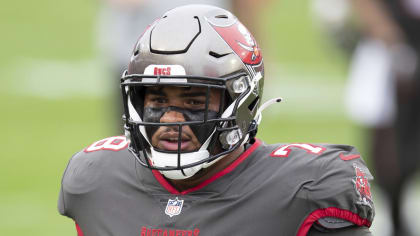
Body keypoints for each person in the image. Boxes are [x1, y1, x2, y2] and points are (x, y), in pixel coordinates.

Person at [58, 5, 375, 235]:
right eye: (157, 101)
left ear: (242, 100)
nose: (170, 118)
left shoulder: (303, 188)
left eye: (193, 102)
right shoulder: (96, 180)